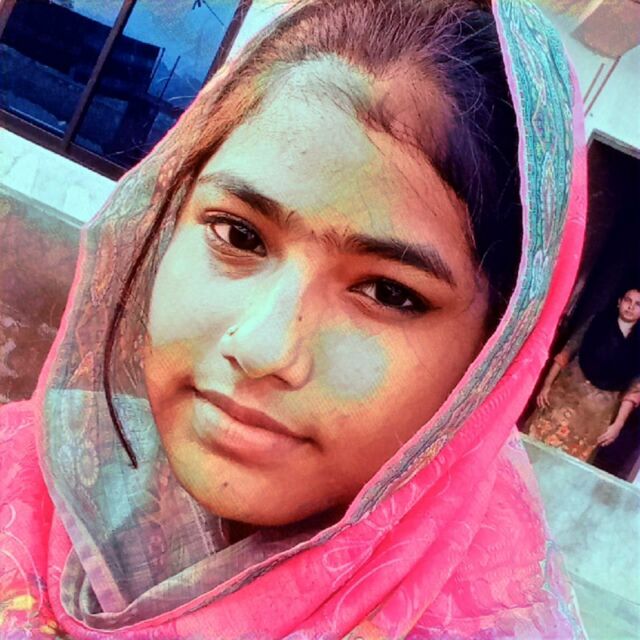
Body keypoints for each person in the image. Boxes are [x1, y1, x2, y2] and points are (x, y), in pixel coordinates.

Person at [0, 0, 588, 637]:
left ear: (492, 360)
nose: (262, 346)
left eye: (389, 293)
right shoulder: (23, 482)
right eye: (239, 235)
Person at [527, 288, 640, 462]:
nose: (631, 307)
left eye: (637, 304)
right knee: (535, 445)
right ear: (619, 302)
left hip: (596, 412)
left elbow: (634, 390)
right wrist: (546, 385)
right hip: (564, 395)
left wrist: (618, 424)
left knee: (568, 461)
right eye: (627, 300)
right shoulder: (598, 322)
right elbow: (567, 351)